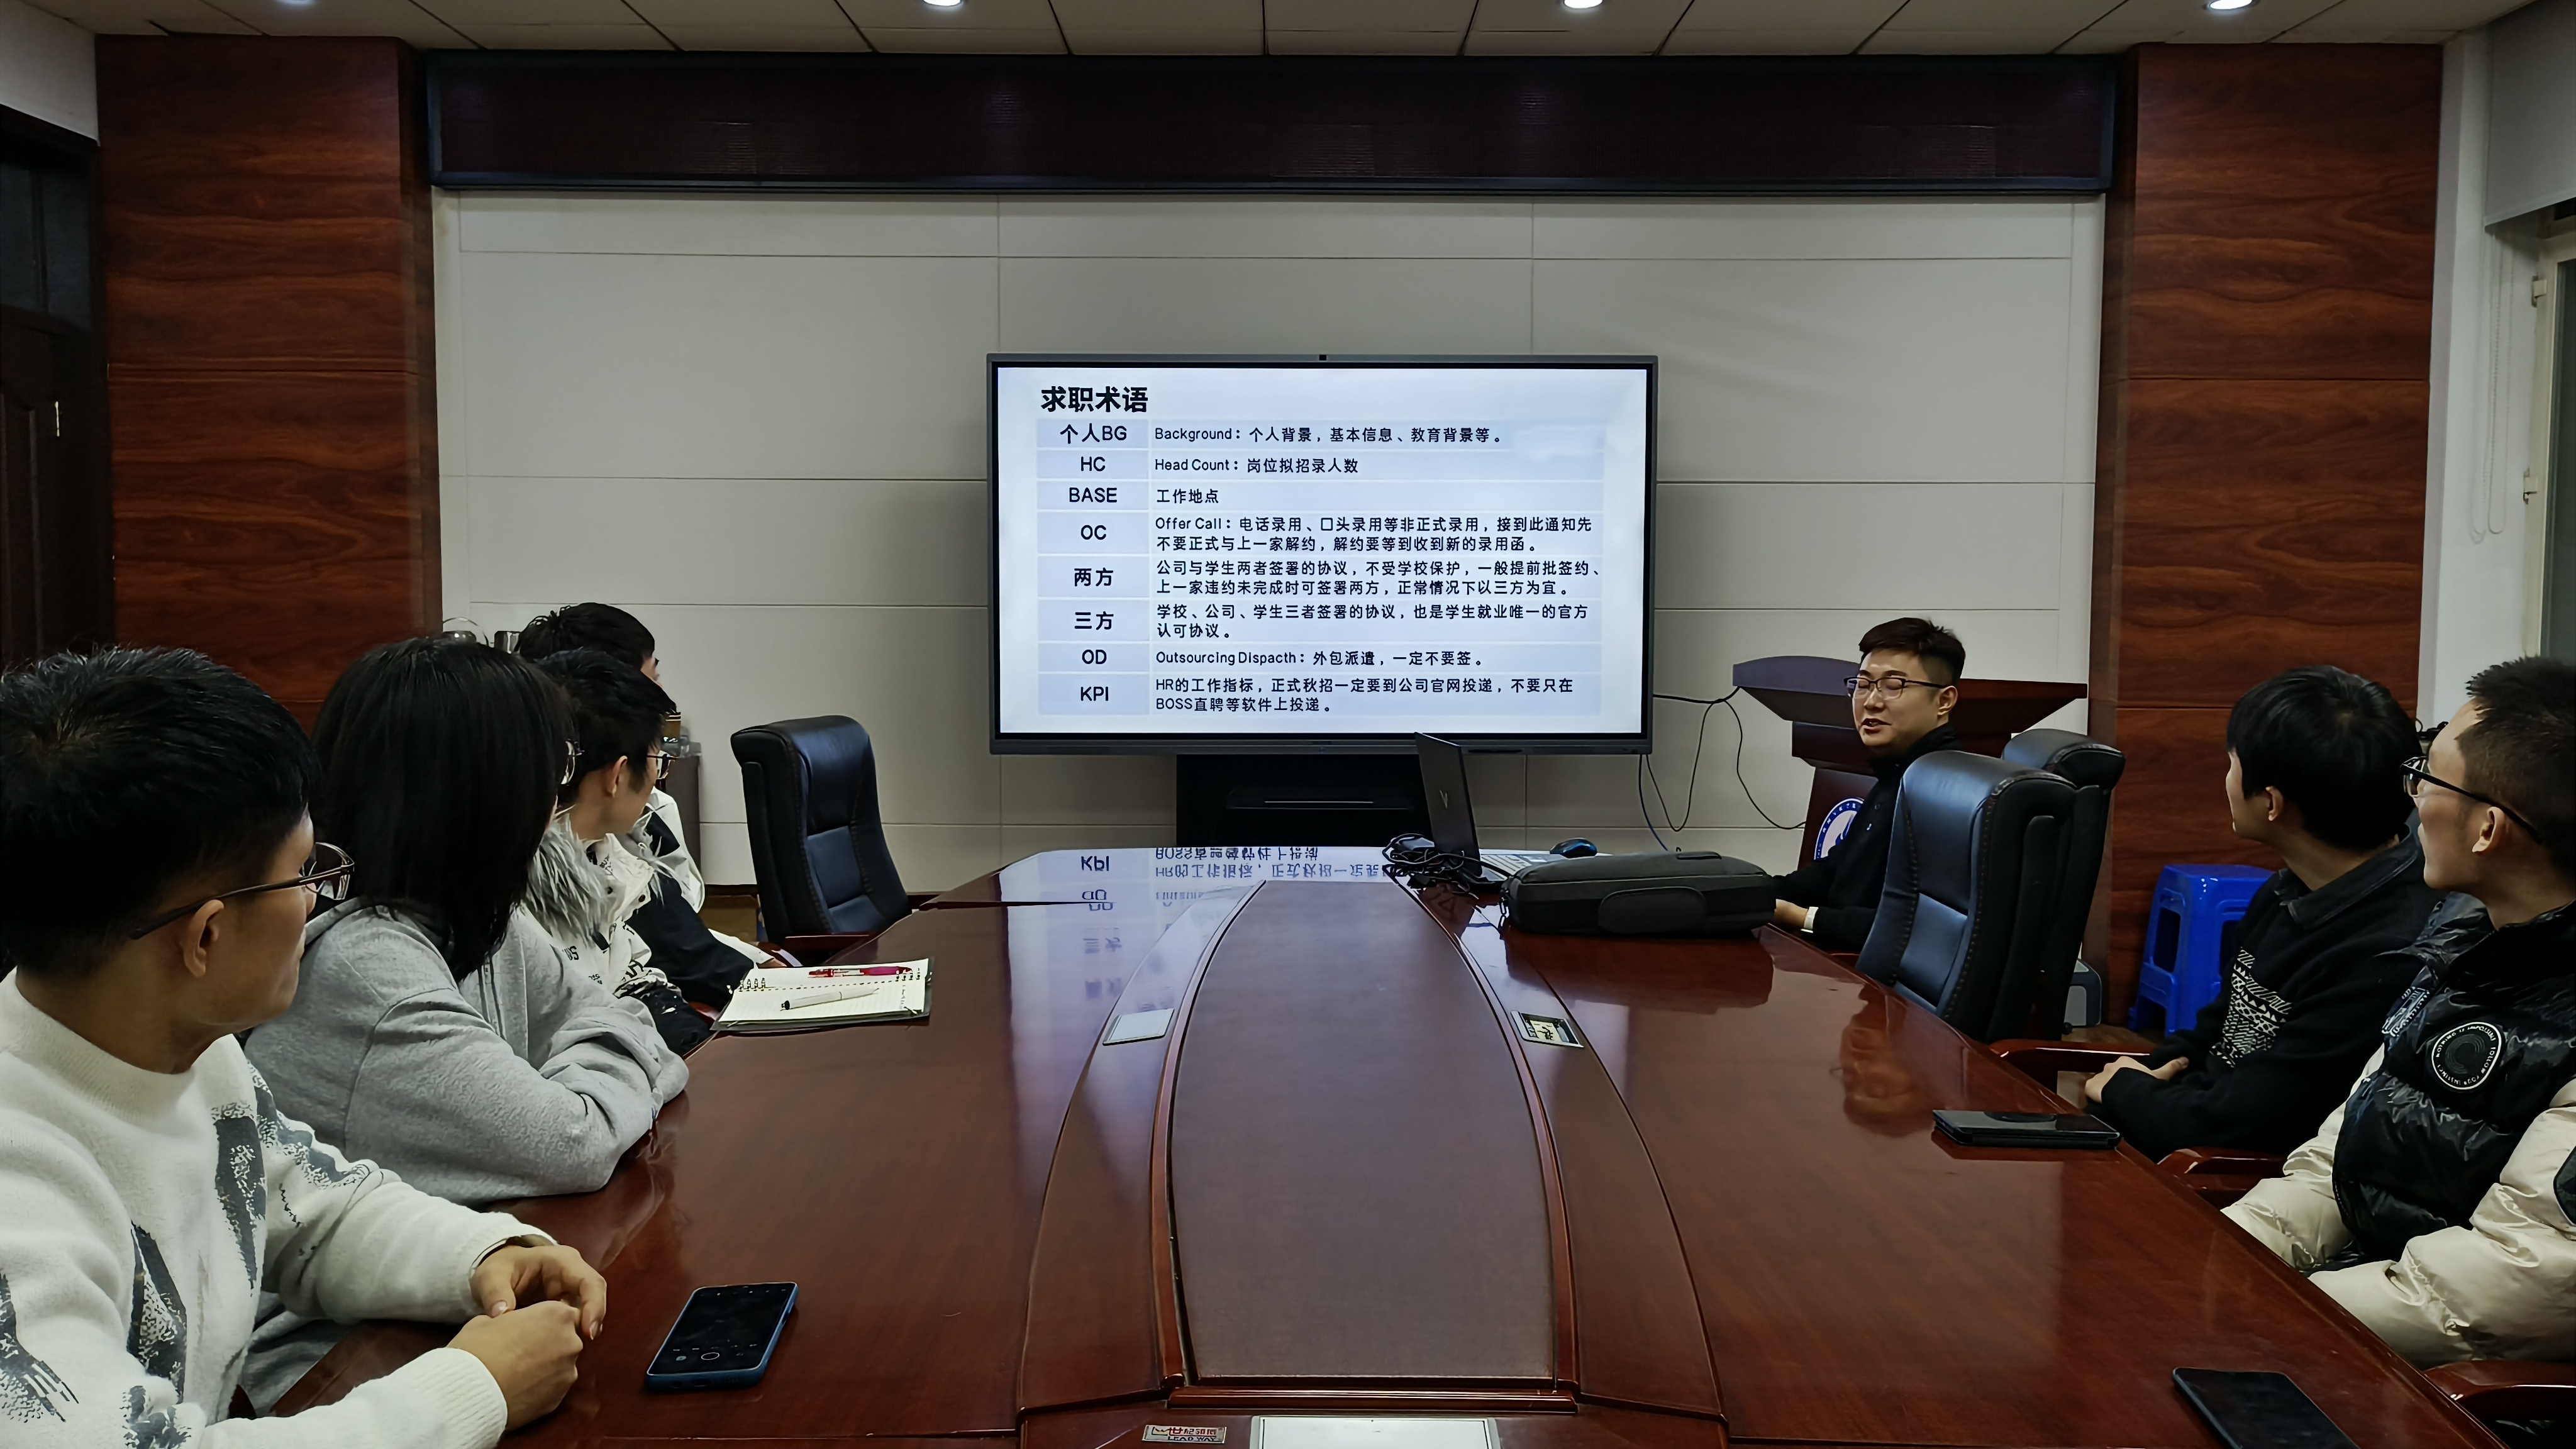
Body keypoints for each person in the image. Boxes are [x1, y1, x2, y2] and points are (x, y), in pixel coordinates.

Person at [0, 647, 606, 1448]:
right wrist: (472, 1389)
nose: (320, 898)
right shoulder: (20, 1196)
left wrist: (482, 1252)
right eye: (303, 873)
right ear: (206, 936)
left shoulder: (187, 1050)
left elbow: (312, 1206)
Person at [242, 638, 689, 1408]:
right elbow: (576, 1141)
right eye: (546, 777)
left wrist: (586, 1073)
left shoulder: (473, 919)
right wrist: (594, 1079)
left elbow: (624, 1016)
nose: (553, 806)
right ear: (489, 798)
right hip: (337, 1369)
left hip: (463, 1291)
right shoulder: (369, 971)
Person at [2226, 657, 2576, 1370]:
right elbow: (2334, 1165)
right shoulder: (2466, 941)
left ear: (2488, 830)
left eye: (2428, 778)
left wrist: (2265, 1312)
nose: (2413, 798)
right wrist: (2215, 1264)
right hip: (2351, 1333)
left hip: (2460, 1396)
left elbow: (2506, 1287)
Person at [2084, 667, 2448, 1160]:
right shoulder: (2288, 889)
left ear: (2272, 803)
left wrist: (2126, 1090)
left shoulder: (2388, 955)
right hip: (2187, 1128)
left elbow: (2252, 1124)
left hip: (2225, 1171)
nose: (2226, 780)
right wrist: (2143, 1077)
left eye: (2232, 764)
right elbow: (2215, 1032)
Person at [525, 650, 752, 1047]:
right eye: (656, 760)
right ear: (617, 775)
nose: (657, 778)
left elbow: (638, 983)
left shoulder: (602, 855)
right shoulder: (525, 898)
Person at [515, 606, 755, 966]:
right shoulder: (536, 869)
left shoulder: (635, 820)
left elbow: (672, 939)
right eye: (649, 680)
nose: (659, 695)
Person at [1770, 617, 1967, 951]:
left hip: (1873, 974)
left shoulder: (1944, 793)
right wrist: (1751, 892)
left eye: (1894, 685)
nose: (1872, 702)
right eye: (1863, 685)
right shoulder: (1899, 773)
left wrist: (1801, 917)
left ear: (1944, 701)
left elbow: (1919, 929)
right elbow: (1837, 870)